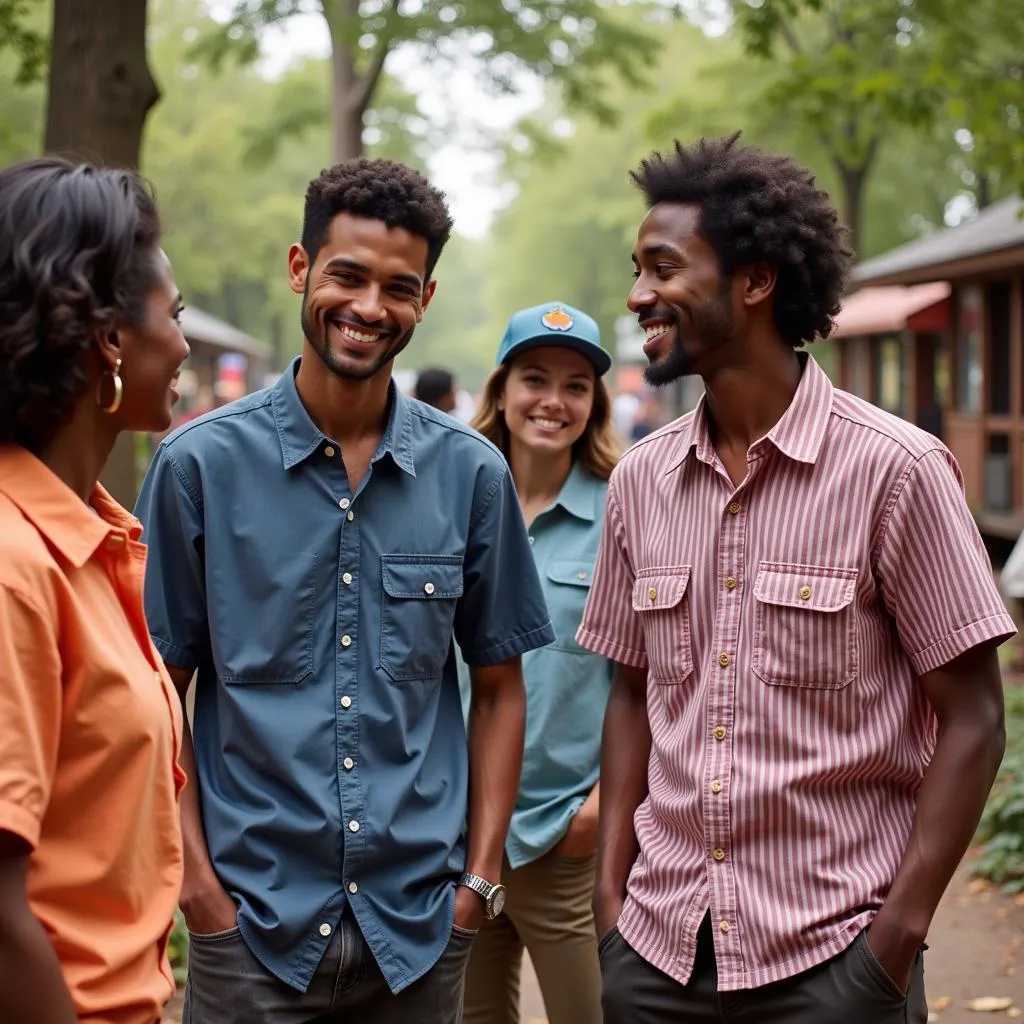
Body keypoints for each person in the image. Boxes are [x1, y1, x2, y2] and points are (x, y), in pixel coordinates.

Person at [577, 133, 1016, 1024]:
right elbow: (630, 692)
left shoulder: (897, 471)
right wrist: (610, 903)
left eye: (663, 267)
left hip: (834, 963)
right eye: (636, 269)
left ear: (755, 280)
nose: (638, 295)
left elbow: (973, 717)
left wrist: (893, 942)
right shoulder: (639, 481)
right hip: (655, 955)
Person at [134, 157, 555, 1024]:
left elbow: (502, 690)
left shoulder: (473, 476)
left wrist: (479, 881)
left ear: (425, 302)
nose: (369, 308)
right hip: (249, 934)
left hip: (421, 933)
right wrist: (200, 896)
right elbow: (154, 699)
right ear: (301, 269)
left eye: (398, 288)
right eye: (347, 276)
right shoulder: (198, 469)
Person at [0, 158, 189, 1024]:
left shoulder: (100, 537)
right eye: (174, 314)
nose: (184, 344)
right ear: (112, 337)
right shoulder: (15, 563)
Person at [460, 302, 620, 1024]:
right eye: (535, 378)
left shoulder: (625, 512)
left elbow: (649, 678)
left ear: (595, 404)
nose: (553, 401)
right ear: (501, 390)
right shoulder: (453, 501)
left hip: (567, 839)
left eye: (576, 385)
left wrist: (599, 810)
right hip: (460, 835)